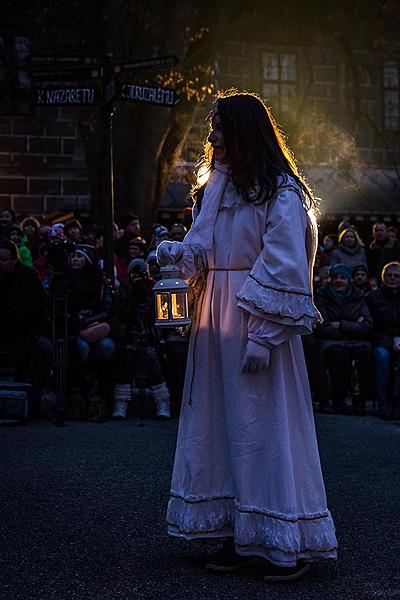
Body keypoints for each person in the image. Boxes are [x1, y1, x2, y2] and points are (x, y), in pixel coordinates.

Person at [157, 91, 337, 581]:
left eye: (218, 127)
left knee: (264, 427)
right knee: (224, 426)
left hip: (254, 320)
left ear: (241, 131)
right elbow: (202, 246)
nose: (211, 137)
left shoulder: (281, 191)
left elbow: (283, 262)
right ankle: (242, 530)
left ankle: (285, 540)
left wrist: (263, 334)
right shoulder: (218, 186)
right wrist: (175, 258)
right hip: (217, 316)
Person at [0, 240, 53, 417]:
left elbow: (39, 307)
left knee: (44, 348)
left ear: (14, 260)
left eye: (3, 259)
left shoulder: (29, 277)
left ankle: (33, 402)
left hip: (26, 331)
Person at [315, 263, 373, 415]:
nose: (338, 281)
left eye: (342, 278)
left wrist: (341, 324)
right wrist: (354, 325)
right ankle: (338, 400)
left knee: (366, 353)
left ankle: (360, 401)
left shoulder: (359, 297)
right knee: (338, 353)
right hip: (332, 342)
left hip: (357, 341)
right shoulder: (323, 296)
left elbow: (367, 324)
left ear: (349, 280)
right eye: (335, 277)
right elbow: (323, 326)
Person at [367, 262, 400, 420]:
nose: (392, 278)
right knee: (382, 357)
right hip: (380, 340)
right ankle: (383, 403)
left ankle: (397, 403)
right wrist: (389, 342)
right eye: (389, 275)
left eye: (396, 275)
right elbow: (370, 325)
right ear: (383, 277)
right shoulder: (373, 297)